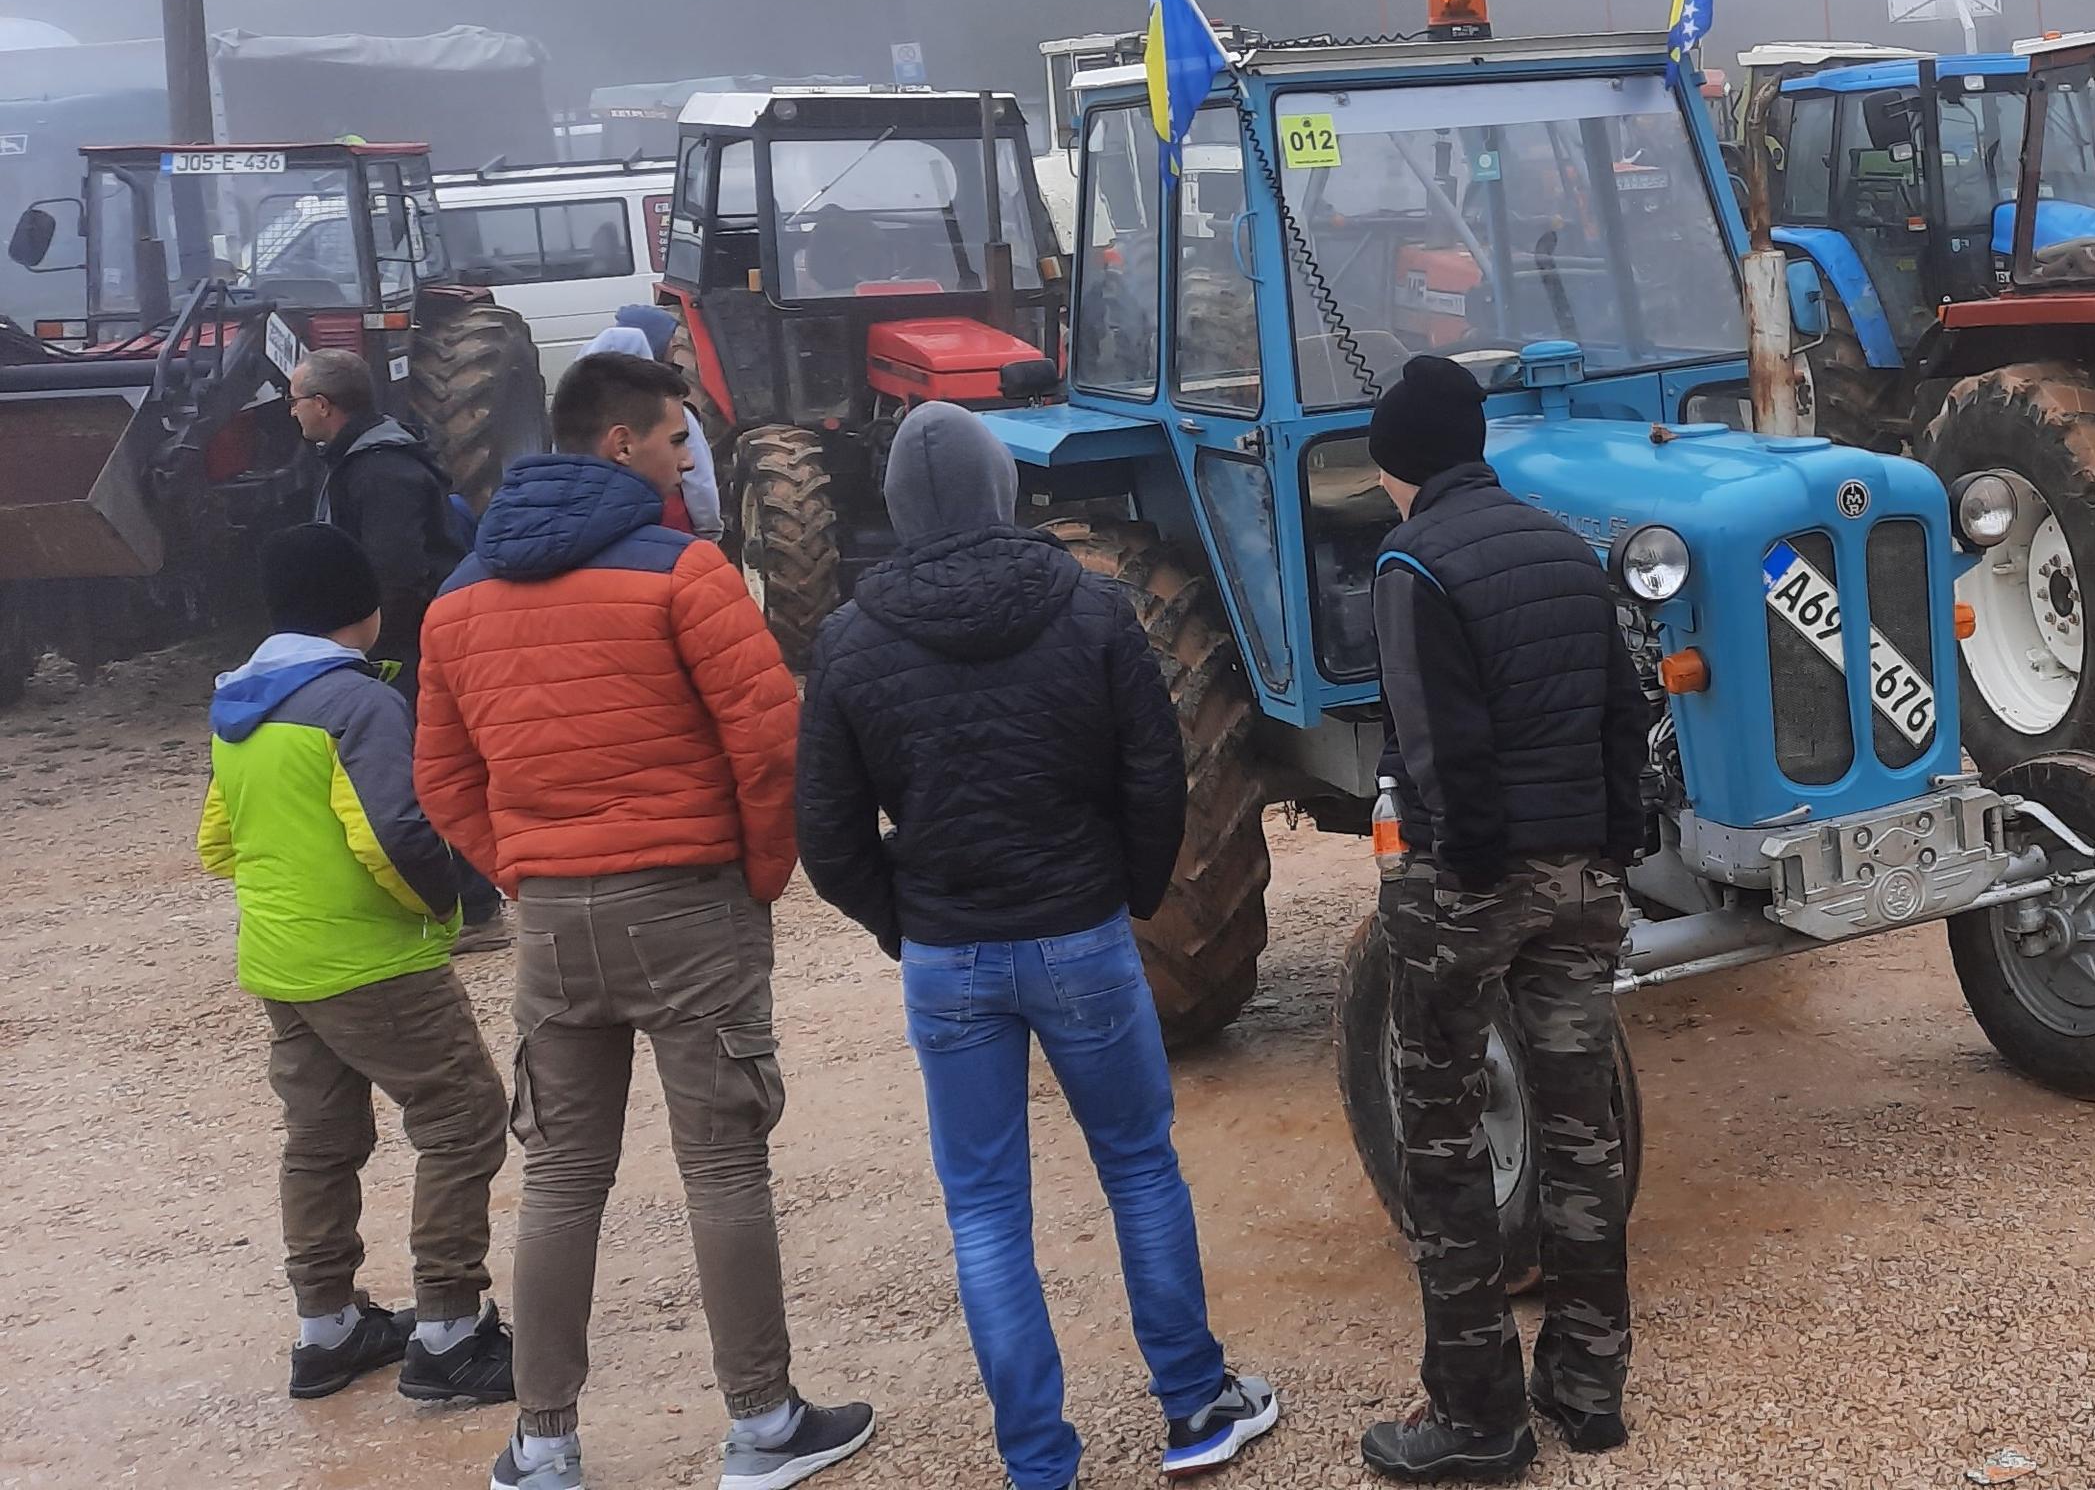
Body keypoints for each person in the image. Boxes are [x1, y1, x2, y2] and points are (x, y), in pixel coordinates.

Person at [413, 351, 875, 1490]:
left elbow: (442, 780)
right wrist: (759, 874)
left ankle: (544, 1443)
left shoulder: (458, 600)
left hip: (553, 924)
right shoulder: (686, 573)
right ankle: (762, 1426)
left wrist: (525, 873)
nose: (687, 456)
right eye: (676, 438)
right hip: (686, 901)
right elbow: (769, 742)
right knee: (723, 1171)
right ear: (619, 443)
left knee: (563, 1178)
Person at [797, 403, 1279, 1485]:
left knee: (983, 1207)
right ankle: (1197, 1408)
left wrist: (906, 920)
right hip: (1080, 938)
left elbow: (826, 838)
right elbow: (1157, 778)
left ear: (896, 505)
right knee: (1141, 1167)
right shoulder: (1092, 609)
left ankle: (1037, 1461)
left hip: (949, 956)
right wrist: (1123, 896)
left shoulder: (850, 639)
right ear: (1001, 491)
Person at [1354, 353, 1651, 1485]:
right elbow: (1625, 719)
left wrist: (1469, 867)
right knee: (1582, 1134)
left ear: (1399, 464)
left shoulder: (1410, 562)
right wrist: (1611, 845)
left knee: (1442, 1146)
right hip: (1586, 876)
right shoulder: (1570, 550)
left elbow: (1438, 744)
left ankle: (1478, 1418)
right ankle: (1590, 1386)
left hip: (1470, 885)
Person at [203, 523, 515, 1409]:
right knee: (462, 1116)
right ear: (366, 610)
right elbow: (400, 832)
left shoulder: (236, 704)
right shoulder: (357, 703)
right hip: (372, 959)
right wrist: (442, 907)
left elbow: (218, 841)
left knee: (322, 1139)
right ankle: (450, 1331)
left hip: (280, 960)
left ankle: (327, 1328)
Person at [290, 349, 472, 695]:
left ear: (322, 405)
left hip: (405, 657)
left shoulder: (381, 473)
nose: (292, 410)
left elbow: (396, 576)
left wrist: (365, 654)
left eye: (295, 400)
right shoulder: (350, 459)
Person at [587, 304, 721, 539]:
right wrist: (709, 530)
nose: (674, 347)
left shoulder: (578, 414)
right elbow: (698, 480)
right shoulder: (672, 414)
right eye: (669, 340)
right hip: (667, 531)